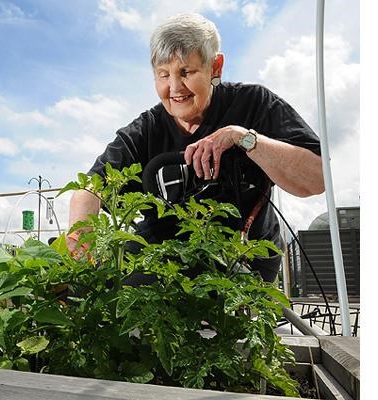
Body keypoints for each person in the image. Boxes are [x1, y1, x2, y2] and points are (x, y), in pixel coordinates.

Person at [67, 13, 324, 283]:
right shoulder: (146, 129)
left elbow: (316, 178)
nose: (175, 88)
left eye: (186, 72)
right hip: (164, 253)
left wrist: (242, 137)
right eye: (163, 75)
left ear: (215, 67)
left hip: (244, 255)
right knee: (93, 288)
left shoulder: (253, 104)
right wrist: (81, 233)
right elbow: (91, 186)